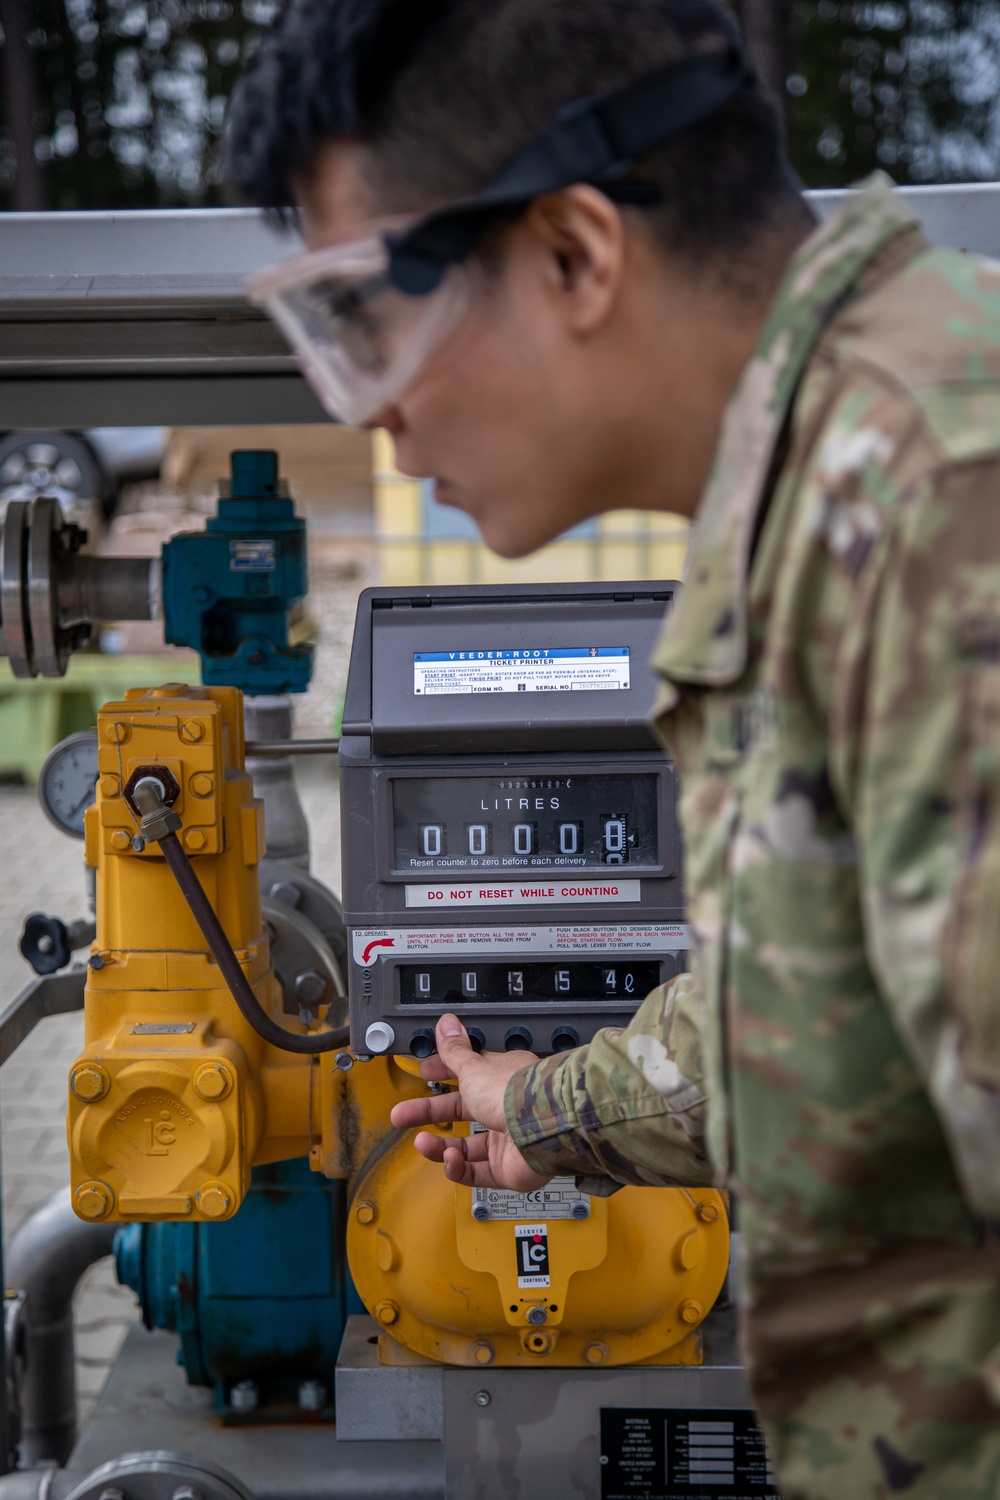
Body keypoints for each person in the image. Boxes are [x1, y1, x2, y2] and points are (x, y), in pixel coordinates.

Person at [226, 2, 1000, 1494]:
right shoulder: (846, 471)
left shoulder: (924, 512)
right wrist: (555, 1107)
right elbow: (833, 990)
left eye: (369, 319)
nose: (371, 411)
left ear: (576, 253)